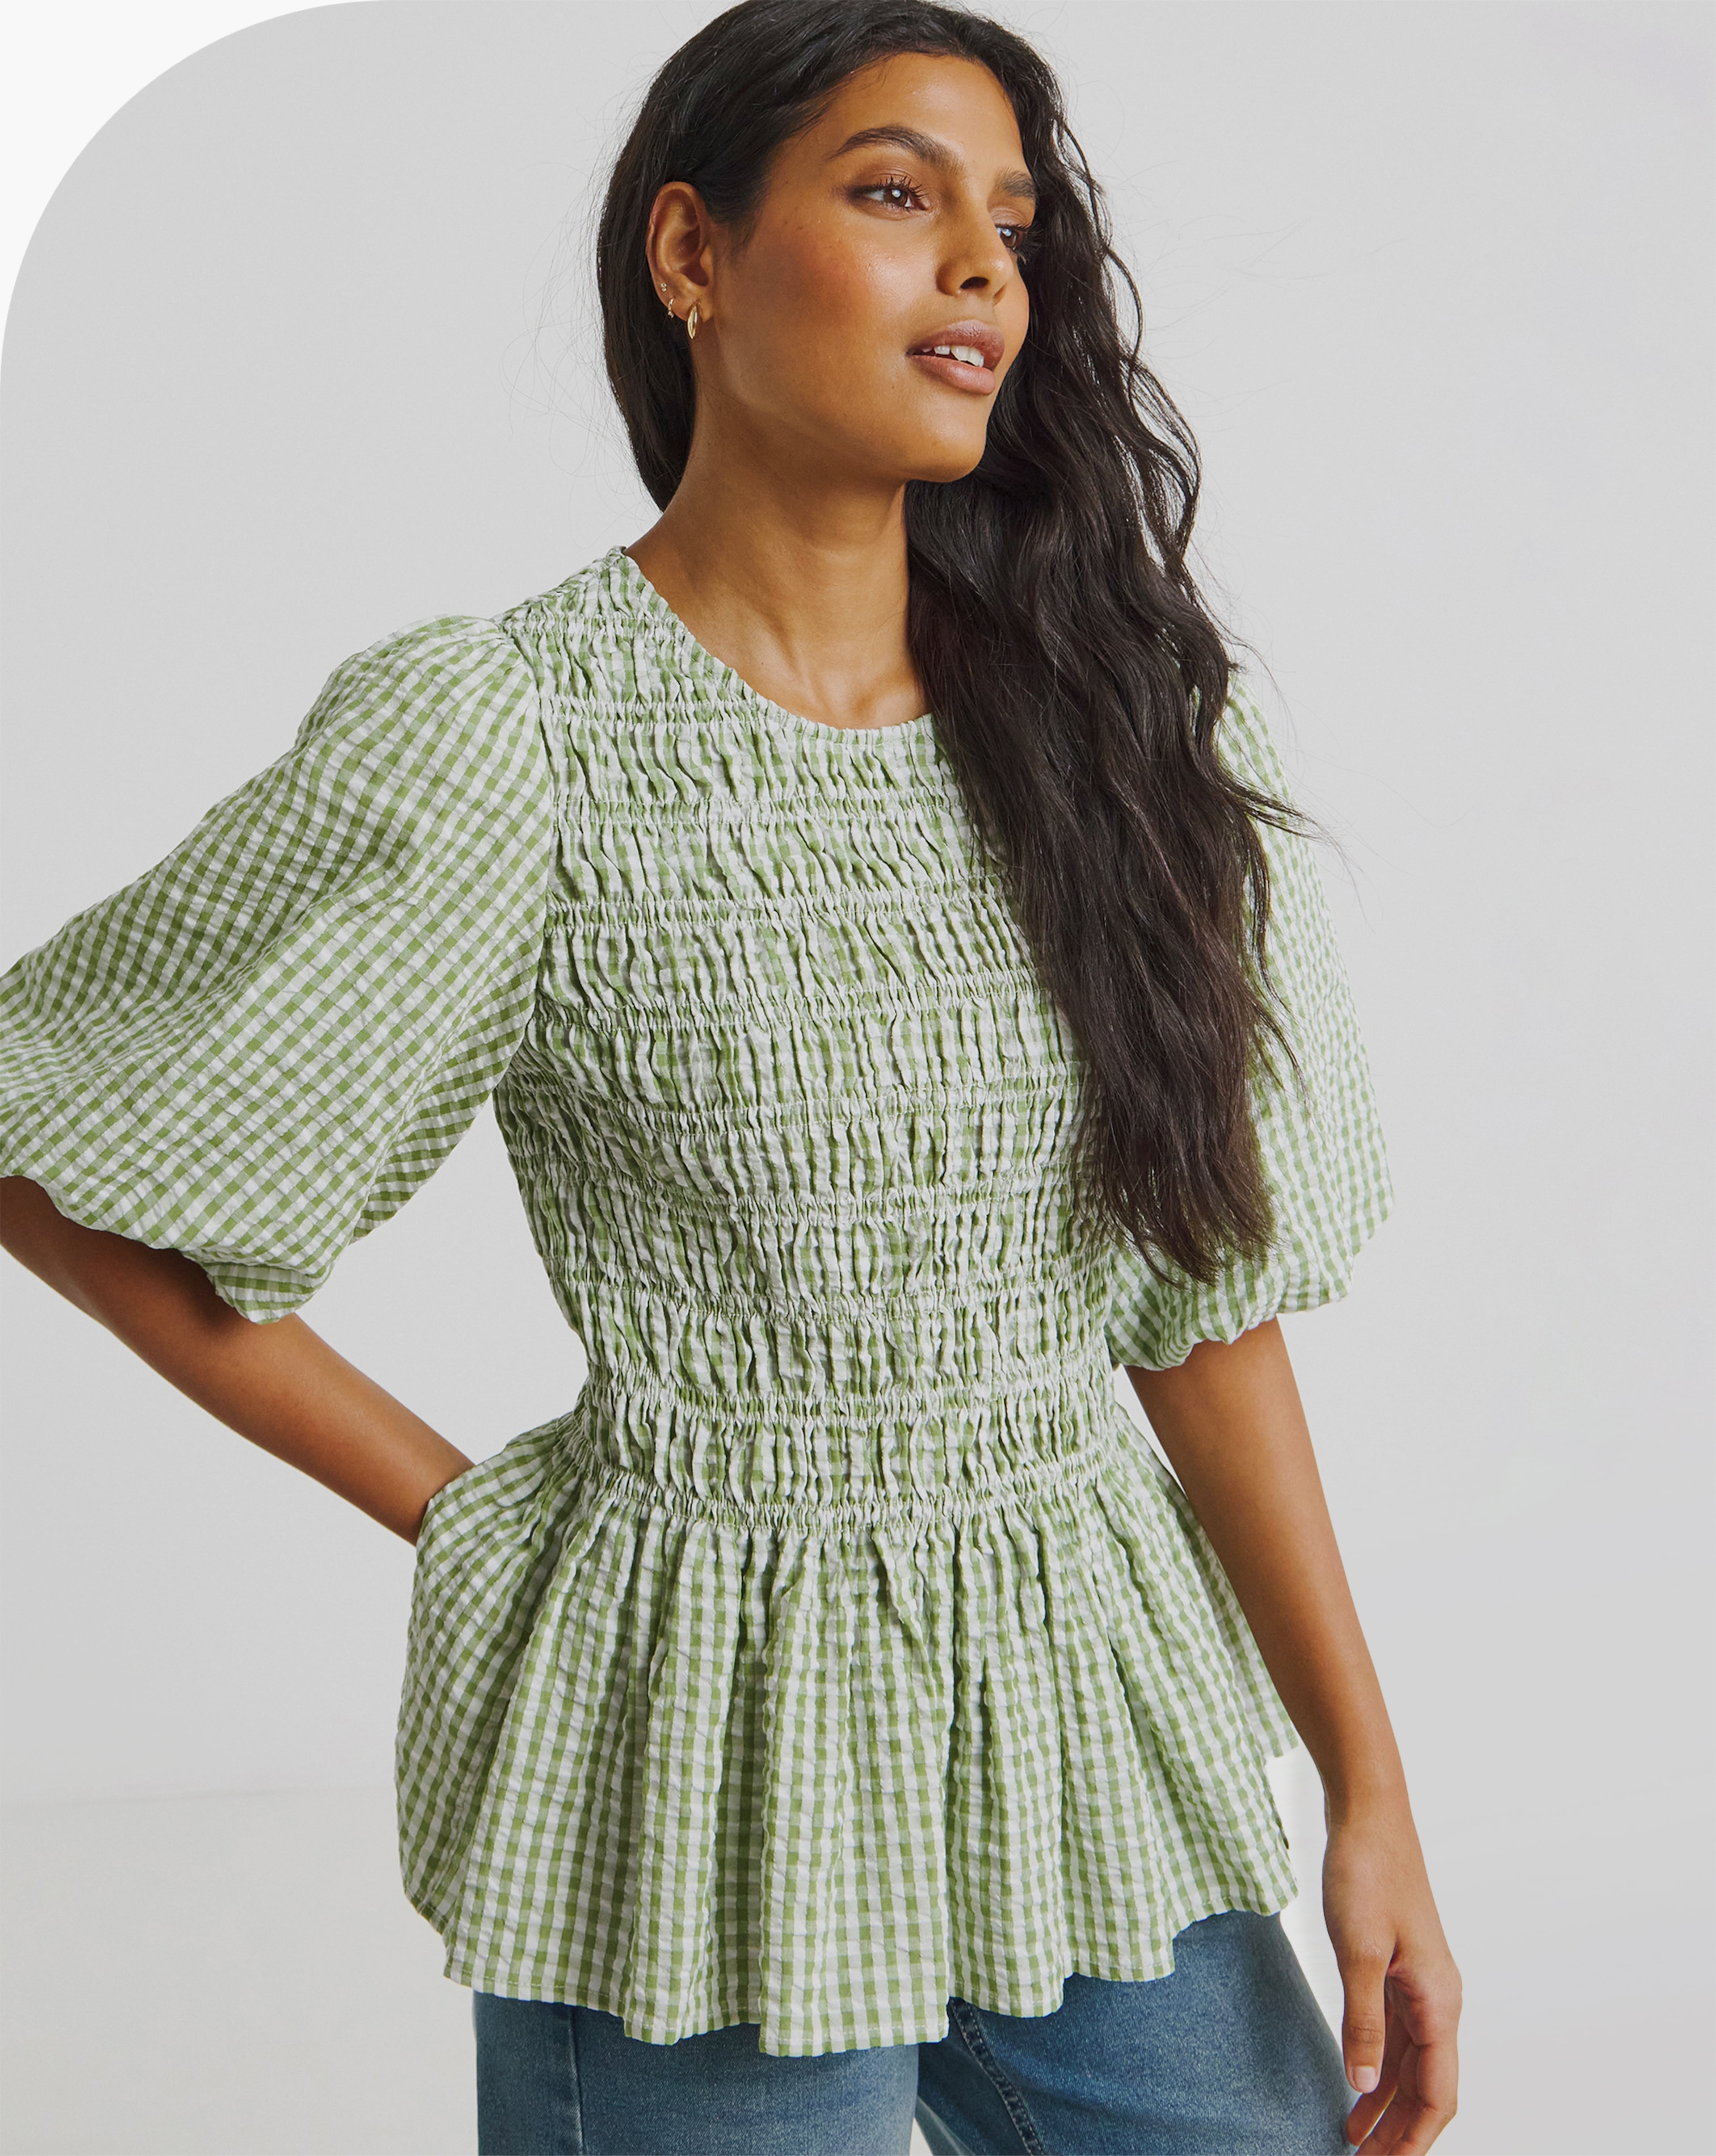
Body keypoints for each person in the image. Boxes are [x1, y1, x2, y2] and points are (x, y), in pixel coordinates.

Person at [0, 2, 1461, 2150]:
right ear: (693, 252)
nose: (985, 268)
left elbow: (1200, 1301)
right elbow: (72, 1132)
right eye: (898, 194)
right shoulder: (512, 735)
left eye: (1015, 226)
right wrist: (470, 1509)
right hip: (697, 1745)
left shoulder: (1121, 732)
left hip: (1079, 1716)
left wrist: (1372, 1792)